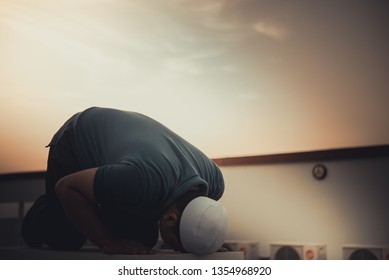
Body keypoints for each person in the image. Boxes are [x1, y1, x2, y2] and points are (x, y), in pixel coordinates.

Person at [22, 107, 227, 255]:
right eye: (174, 243)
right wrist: (106, 241)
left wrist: (207, 242)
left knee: (141, 242)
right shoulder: (141, 180)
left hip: (127, 162)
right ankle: (44, 211)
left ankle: (99, 193)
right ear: (170, 218)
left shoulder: (215, 182)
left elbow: (205, 221)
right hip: (77, 139)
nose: (174, 248)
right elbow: (66, 186)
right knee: (65, 238)